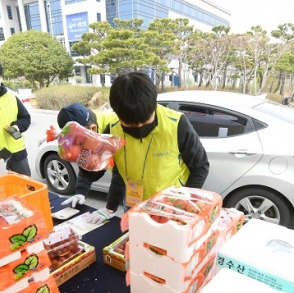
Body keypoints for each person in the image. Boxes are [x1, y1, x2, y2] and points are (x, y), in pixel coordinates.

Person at [62, 71, 210, 224]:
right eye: (130, 125)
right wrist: (82, 190)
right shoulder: (113, 129)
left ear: (153, 107)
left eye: (144, 122)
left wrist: (183, 203)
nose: (138, 128)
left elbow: (200, 167)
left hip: (170, 208)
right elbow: (97, 165)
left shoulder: (177, 124)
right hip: (133, 204)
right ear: (119, 116)